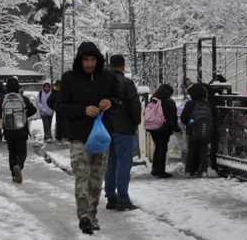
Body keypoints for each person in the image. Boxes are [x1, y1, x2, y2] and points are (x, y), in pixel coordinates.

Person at [58, 42, 120, 235]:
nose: (90, 63)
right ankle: (84, 215)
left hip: (101, 136)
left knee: (96, 178)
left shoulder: (109, 78)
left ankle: (92, 215)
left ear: (98, 60)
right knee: (82, 175)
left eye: (93, 59)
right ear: (80, 60)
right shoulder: (69, 78)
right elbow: (61, 106)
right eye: (86, 60)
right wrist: (82, 110)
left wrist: (110, 102)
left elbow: (120, 100)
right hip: (78, 136)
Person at [104, 55, 142, 212]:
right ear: (123, 66)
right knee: (123, 164)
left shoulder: (103, 83)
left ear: (109, 66)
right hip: (124, 129)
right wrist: (136, 122)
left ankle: (110, 196)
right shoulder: (127, 83)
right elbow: (135, 106)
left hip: (107, 129)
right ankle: (123, 199)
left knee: (111, 163)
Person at [2, 78, 37, 183]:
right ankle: (19, 165)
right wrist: (24, 116)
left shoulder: (3, 99)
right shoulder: (24, 99)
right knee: (22, 152)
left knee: (12, 152)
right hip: (21, 129)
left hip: (8, 130)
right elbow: (33, 110)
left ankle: (13, 175)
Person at [180, 83, 217, 177]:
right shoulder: (209, 104)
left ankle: (188, 171)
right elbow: (215, 118)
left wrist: (189, 125)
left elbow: (183, 118)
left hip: (193, 131)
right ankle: (204, 170)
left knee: (191, 151)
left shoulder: (190, 104)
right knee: (203, 151)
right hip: (206, 131)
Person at [147, 84, 179, 178]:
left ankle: (155, 168)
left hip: (153, 128)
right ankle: (161, 171)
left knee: (157, 147)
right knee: (162, 149)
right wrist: (175, 128)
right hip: (164, 129)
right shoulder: (169, 102)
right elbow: (172, 118)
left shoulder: (154, 100)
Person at [48, 80, 67, 144]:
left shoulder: (64, 92)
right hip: (59, 112)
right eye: (58, 86)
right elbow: (48, 101)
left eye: (60, 86)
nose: (59, 87)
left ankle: (65, 137)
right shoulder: (54, 92)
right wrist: (54, 107)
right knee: (59, 125)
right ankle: (59, 138)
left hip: (65, 111)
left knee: (65, 124)